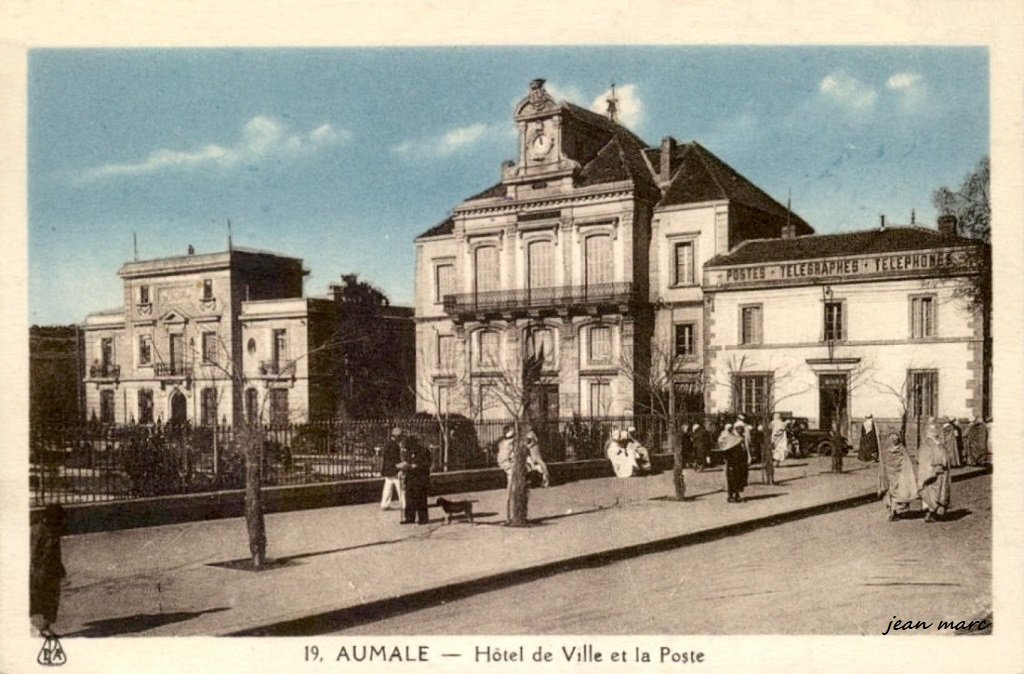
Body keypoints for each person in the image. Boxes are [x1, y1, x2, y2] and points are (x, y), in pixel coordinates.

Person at [31, 504, 67, 635]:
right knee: (37, 599)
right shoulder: (38, 530)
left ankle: (46, 626)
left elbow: (55, 551)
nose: (61, 522)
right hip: (38, 571)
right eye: (58, 519)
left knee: (52, 598)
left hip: (52, 569)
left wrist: (60, 566)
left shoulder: (53, 529)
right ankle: (36, 627)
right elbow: (32, 553)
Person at [877, 431, 917, 521]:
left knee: (890, 494)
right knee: (898, 493)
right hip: (899, 477)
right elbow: (908, 465)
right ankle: (895, 511)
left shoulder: (886, 452)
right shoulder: (902, 451)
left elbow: (882, 465)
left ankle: (892, 512)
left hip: (890, 478)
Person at [918, 418, 951, 523]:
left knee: (928, 492)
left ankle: (929, 512)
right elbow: (941, 459)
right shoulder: (935, 445)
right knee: (933, 493)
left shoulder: (925, 445)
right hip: (935, 473)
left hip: (928, 473)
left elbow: (919, 458)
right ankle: (931, 513)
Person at [399, 435, 431, 525]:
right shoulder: (408, 452)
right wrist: (404, 468)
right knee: (409, 498)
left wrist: (417, 466)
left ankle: (423, 518)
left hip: (421, 478)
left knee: (421, 498)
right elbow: (407, 462)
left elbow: (427, 464)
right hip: (410, 478)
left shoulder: (424, 451)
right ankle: (409, 517)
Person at [715, 422, 748, 503]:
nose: (741, 430)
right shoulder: (730, 437)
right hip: (732, 462)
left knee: (739, 479)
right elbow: (725, 449)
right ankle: (731, 496)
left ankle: (737, 495)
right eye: (740, 429)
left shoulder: (741, 437)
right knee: (732, 479)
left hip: (740, 461)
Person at [379, 427, 406, 511]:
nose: (401, 438)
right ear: (397, 436)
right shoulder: (395, 446)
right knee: (400, 488)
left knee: (387, 488)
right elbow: (395, 459)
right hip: (394, 469)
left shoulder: (387, 444)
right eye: (400, 436)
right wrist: (400, 467)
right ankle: (404, 504)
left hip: (387, 469)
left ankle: (384, 504)